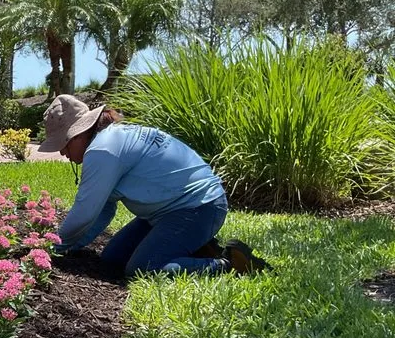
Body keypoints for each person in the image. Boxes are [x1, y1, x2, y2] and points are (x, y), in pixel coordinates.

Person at [41, 94, 269, 276]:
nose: (62, 152)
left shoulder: (102, 150)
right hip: (169, 212)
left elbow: (84, 212)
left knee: (143, 268)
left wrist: (51, 248)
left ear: (80, 133)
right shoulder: (108, 141)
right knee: (112, 259)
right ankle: (195, 248)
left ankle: (229, 265)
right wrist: (71, 245)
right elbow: (103, 210)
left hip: (199, 207)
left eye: (64, 143)